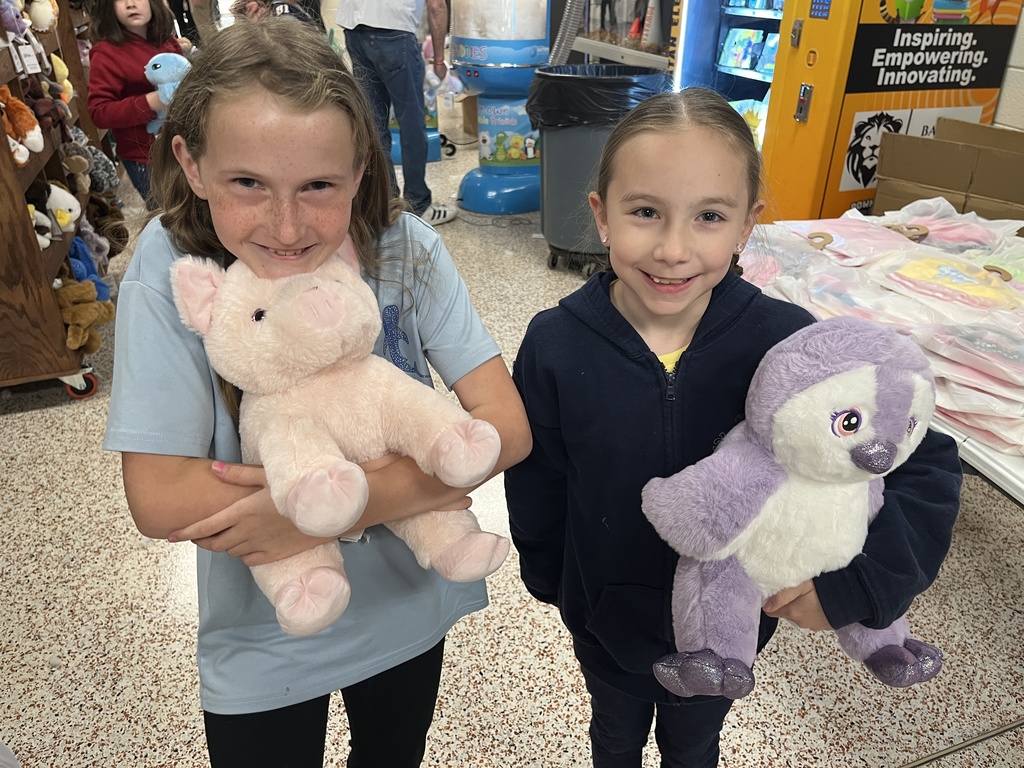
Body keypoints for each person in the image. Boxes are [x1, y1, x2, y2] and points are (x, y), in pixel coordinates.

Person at [103, 18, 531, 767]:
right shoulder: (171, 272)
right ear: (192, 165)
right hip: (265, 633)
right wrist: (381, 494)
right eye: (248, 184)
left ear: (361, 168)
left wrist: (316, 511)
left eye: (319, 186)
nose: (289, 225)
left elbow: (507, 426)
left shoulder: (406, 251)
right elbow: (161, 496)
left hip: (409, 607)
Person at [503, 88, 962, 768]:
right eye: (646, 213)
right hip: (606, 627)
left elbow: (925, 460)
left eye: (709, 216)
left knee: (695, 748)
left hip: (730, 640)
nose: (673, 249)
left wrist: (856, 585)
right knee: (614, 741)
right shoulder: (554, 343)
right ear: (601, 214)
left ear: (748, 224)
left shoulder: (791, 344)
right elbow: (538, 477)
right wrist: (551, 579)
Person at [337, 0, 457, 226]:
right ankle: (418, 205)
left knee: (374, 125)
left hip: (355, 30)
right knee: (411, 123)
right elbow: (437, 6)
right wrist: (440, 60)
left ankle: (386, 203)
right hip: (395, 31)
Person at [87, 0, 187, 207]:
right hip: (145, 158)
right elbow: (99, 112)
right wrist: (151, 102)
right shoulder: (106, 53)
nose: (131, 4)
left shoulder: (165, 40)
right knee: (169, 219)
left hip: (183, 144)